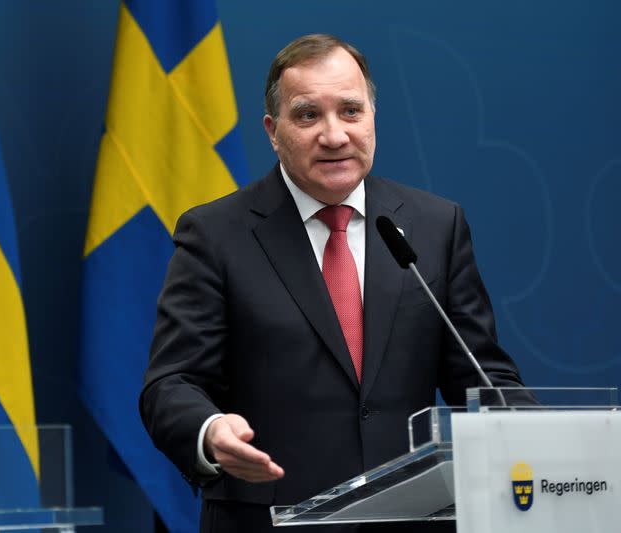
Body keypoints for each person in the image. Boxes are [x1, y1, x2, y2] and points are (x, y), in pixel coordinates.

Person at [140, 34, 523, 532]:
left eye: (350, 111)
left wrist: (558, 446)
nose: (335, 135)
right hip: (270, 520)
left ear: (372, 119)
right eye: (307, 116)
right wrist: (211, 430)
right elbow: (172, 383)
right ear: (272, 131)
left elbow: (483, 379)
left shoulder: (436, 226)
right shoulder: (215, 235)